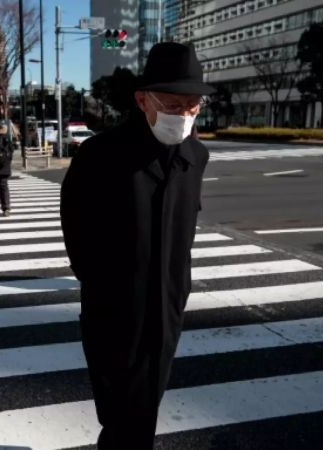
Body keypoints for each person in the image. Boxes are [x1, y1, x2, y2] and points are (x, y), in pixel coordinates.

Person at [60, 42, 214, 449]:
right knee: (119, 409)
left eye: (192, 105)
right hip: (115, 308)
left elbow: (187, 231)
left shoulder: (196, 156)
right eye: (172, 103)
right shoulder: (99, 155)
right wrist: (102, 283)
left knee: (147, 404)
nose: (183, 115)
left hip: (167, 306)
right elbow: (76, 229)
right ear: (142, 98)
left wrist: (177, 287)